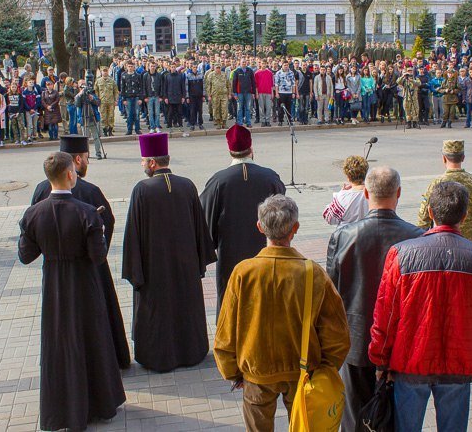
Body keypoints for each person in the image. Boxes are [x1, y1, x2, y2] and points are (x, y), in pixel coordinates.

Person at [369, 181, 472, 432]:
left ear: (430, 211)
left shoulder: (401, 254)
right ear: (464, 215)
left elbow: (385, 315)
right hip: (459, 364)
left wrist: (381, 360)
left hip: (410, 363)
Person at [214, 194, 350, 432]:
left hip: (256, 372)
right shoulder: (313, 273)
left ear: (260, 227)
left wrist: (232, 372)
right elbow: (337, 334)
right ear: (295, 228)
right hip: (302, 371)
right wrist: (325, 369)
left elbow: (225, 332)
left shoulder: (243, 272)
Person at [18, 152, 125, 431]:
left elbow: (26, 255)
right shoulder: (86, 212)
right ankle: (99, 404)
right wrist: (99, 230)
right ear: (69, 174)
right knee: (92, 339)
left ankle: (61, 410)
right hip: (84, 283)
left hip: (54, 285)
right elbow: (98, 257)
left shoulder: (33, 213)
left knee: (59, 343)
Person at [326, 167, 422, 430]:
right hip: (399, 343)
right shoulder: (416, 237)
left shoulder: (343, 235)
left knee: (354, 416)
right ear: (399, 193)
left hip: (355, 340)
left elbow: (332, 293)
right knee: (392, 416)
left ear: (366, 194)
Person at [31, 135, 129, 369]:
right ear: (76, 161)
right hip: (90, 268)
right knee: (94, 317)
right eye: (86, 157)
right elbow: (108, 222)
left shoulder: (41, 190)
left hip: (55, 271)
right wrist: (99, 248)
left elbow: (33, 230)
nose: (87, 162)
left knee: (60, 320)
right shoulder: (90, 191)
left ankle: (63, 365)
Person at [121, 132, 215, 372]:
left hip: (155, 267)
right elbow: (200, 227)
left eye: (144, 161)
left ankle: (159, 356)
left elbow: (133, 234)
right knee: (185, 305)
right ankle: (191, 351)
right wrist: (198, 261)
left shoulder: (142, 190)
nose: (142, 164)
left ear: (152, 162)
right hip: (186, 265)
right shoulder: (187, 185)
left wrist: (134, 270)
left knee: (158, 311)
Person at [200, 125, 285, 313]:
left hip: (230, 255)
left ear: (229, 150)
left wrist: (211, 245)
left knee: (232, 304)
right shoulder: (270, 177)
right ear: (251, 148)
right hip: (266, 253)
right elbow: (283, 215)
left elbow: (205, 219)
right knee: (265, 304)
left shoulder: (218, 181)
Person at [417, 140, 472, 241]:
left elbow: (423, 217)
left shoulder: (436, 183)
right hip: (466, 239)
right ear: (463, 158)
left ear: (444, 158)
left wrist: (422, 238)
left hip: (440, 239)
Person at [322, 155, 370, 226]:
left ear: (348, 177)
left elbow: (329, 218)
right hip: (371, 232)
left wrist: (340, 194)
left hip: (347, 232)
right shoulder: (375, 194)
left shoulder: (341, 197)